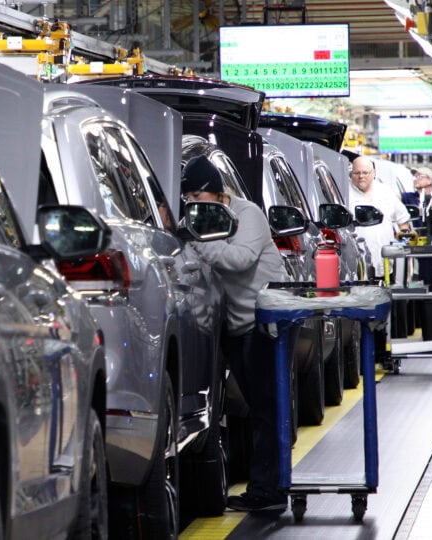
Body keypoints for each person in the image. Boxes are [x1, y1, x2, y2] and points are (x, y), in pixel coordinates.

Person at [180, 155, 289, 513]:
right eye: (187, 199)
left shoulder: (247, 214)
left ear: (215, 192)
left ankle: (269, 492)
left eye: (196, 196)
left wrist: (199, 240)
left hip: (266, 320)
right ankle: (266, 484)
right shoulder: (198, 219)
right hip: (235, 324)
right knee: (256, 408)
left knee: (267, 408)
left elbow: (239, 259)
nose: (192, 204)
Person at [349, 156, 412, 278]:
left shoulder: (385, 191)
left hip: (387, 264)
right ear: (351, 174)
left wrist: (404, 239)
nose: (361, 176)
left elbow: (403, 219)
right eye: (357, 173)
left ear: (373, 173)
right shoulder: (345, 194)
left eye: (365, 172)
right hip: (357, 268)